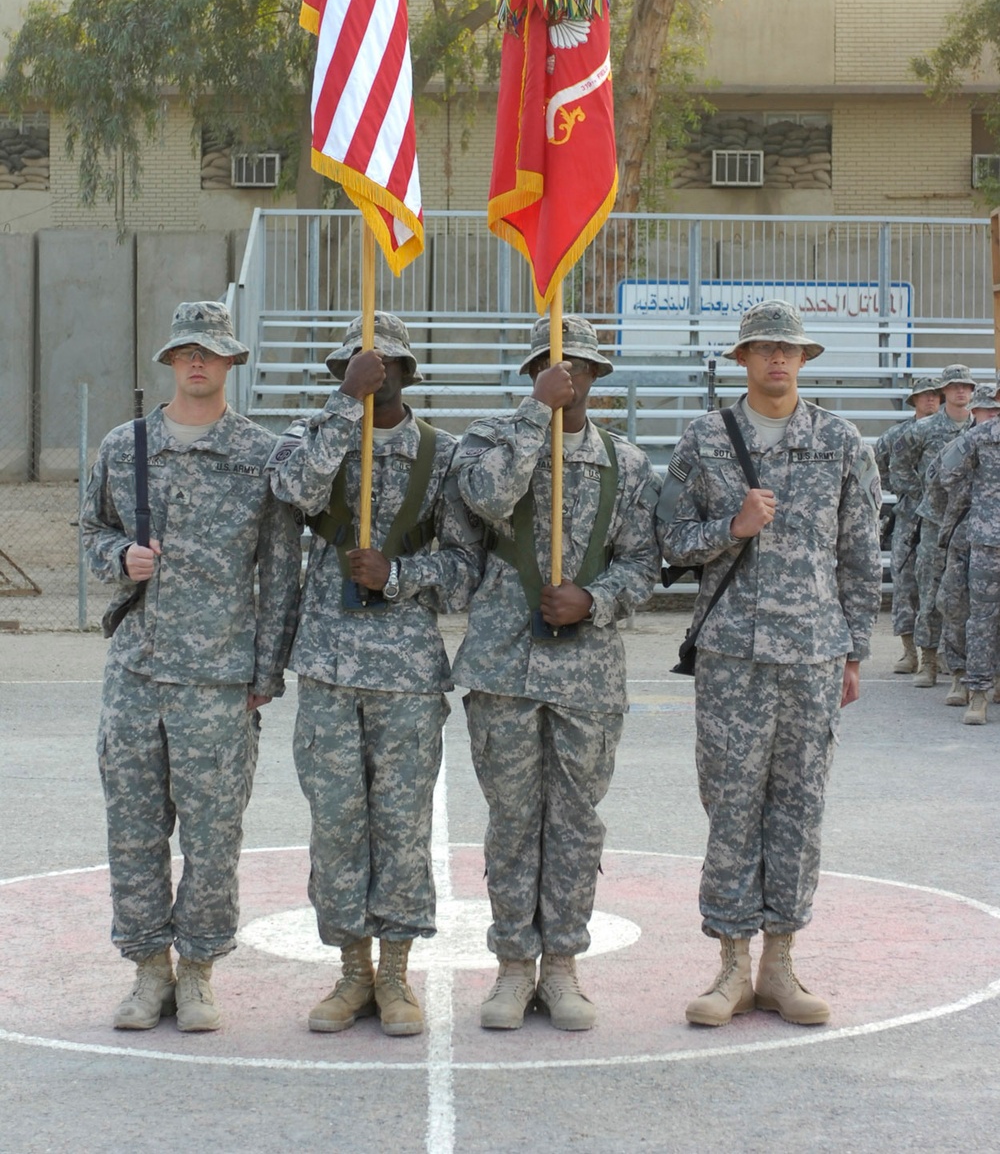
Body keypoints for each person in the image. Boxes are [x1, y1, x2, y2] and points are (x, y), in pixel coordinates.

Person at [657, 300, 881, 1028]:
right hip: (731, 655)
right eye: (763, 349)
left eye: (788, 349)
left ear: (805, 360)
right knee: (730, 805)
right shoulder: (702, 441)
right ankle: (730, 967)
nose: (777, 360)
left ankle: (781, 964)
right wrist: (732, 527)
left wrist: (854, 650)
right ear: (743, 361)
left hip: (813, 655)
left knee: (799, 807)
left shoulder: (843, 442)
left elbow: (858, 554)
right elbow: (670, 542)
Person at [82, 302, 301, 1032]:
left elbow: (280, 573)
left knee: (212, 835)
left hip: (219, 678)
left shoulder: (260, 455)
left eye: (209, 352)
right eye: (185, 352)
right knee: (135, 829)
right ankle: (149, 971)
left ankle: (199, 970)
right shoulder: (125, 447)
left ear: (232, 362)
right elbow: (91, 530)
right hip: (137, 673)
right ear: (171, 362)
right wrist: (119, 557)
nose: (196, 363)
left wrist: (265, 674)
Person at [266, 312, 483, 1037]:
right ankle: (351, 971)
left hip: (407, 673)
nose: (372, 375)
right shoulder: (313, 437)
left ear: (407, 371)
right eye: (358, 367)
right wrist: (341, 408)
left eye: (385, 364)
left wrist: (397, 575)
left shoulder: (444, 456)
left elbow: (463, 574)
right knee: (336, 824)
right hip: (327, 665)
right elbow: (292, 491)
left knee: (401, 825)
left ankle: (395, 975)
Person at [451, 315, 659, 1033]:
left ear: (598, 376)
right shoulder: (490, 443)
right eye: (552, 367)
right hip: (503, 663)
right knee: (512, 820)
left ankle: (563, 964)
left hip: (587, 674)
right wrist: (533, 416)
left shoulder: (627, 466)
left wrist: (594, 600)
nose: (568, 378)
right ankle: (513, 964)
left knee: (574, 824)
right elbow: (484, 500)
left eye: (579, 369)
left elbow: (643, 565)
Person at [890, 364, 975, 688]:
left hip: (969, 524)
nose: (960, 391)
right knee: (930, 592)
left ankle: (962, 664)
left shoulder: (978, 428)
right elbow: (898, 465)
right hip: (935, 523)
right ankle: (927, 661)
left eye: (966, 386)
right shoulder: (922, 429)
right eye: (954, 386)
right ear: (943, 391)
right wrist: (922, 493)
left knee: (966, 599)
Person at [926, 384, 1000, 708]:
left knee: (981, 618)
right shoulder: (980, 436)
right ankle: (977, 691)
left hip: (985, 536)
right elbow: (943, 475)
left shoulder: (980, 436)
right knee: (976, 616)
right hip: (984, 541)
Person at [872, 374, 943, 674]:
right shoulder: (896, 435)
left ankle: (937, 650)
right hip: (909, 516)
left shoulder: (953, 431)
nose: (930, 400)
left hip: (940, 517)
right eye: (924, 395)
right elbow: (880, 467)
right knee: (905, 583)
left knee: (939, 585)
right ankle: (908, 650)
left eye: (935, 395)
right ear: (913, 400)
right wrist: (909, 490)